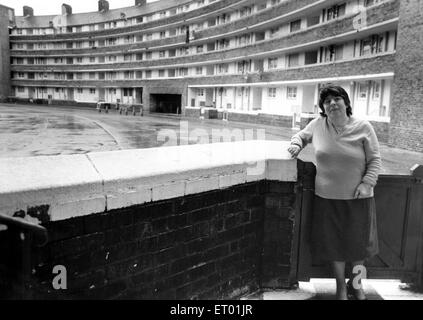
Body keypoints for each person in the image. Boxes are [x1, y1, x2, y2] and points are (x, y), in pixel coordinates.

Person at [288, 84, 382, 300]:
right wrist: (296, 144)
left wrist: (367, 183)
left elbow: (375, 160)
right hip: (327, 199)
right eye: (326, 101)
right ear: (323, 107)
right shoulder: (318, 125)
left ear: (346, 102)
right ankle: (341, 287)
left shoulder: (364, 127)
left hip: (359, 199)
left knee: (360, 249)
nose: (332, 103)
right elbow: (300, 137)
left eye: (336, 99)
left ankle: (357, 286)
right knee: (334, 247)